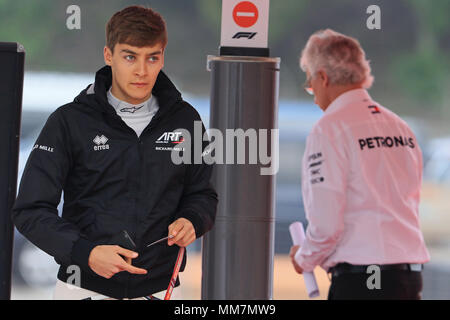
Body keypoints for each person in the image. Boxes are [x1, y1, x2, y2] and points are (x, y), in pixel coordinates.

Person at [12, 5, 217, 300]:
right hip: (82, 287)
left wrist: (193, 220)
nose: (142, 71)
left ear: (163, 58)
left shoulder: (185, 120)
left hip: (161, 289)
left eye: (152, 58)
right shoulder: (69, 121)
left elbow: (203, 195)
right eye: (130, 56)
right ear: (109, 55)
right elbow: (30, 211)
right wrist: (87, 253)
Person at [289, 29, 430, 300]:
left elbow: (327, 224)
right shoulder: (401, 127)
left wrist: (304, 258)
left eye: (310, 83)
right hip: (409, 280)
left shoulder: (329, 130)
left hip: (361, 282)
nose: (313, 93)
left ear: (323, 77)